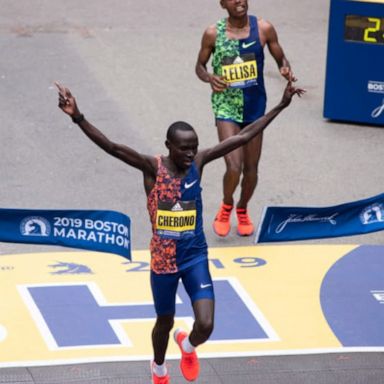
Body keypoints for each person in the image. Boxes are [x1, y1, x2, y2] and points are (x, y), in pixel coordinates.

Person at [55, 81, 303, 384]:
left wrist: (281, 104)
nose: (190, 153)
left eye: (194, 147)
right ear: (168, 146)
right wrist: (77, 116)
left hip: (194, 255)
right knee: (164, 320)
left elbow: (245, 135)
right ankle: (158, 367)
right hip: (163, 262)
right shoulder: (151, 167)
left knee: (207, 324)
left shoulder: (199, 162)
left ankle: (187, 346)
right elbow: (112, 147)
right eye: (184, 148)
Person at [196, 0, 296, 237]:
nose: (239, 0)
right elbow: (199, 66)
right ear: (223, 4)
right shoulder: (213, 33)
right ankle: (226, 204)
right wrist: (210, 78)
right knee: (234, 166)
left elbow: (282, 58)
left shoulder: (263, 29)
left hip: (254, 109)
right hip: (226, 108)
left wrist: (284, 68)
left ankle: (242, 208)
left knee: (251, 169)